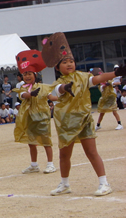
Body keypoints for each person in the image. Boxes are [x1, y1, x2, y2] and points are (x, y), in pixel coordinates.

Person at [41, 32, 126, 196]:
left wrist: (116, 74)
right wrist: (65, 88)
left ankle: (104, 183)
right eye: (64, 62)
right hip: (66, 123)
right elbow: (57, 91)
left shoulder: (82, 77)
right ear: (57, 67)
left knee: (91, 152)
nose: (69, 64)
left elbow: (98, 78)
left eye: (71, 61)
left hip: (84, 120)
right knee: (64, 155)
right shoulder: (58, 83)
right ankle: (64, 184)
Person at [13, 49, 58, 175]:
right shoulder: (22, 88)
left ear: (35, 75)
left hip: (42, 117)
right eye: (25, 74)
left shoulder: (43, 87)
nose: (27, 76)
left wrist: (64, 98)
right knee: (31, 142)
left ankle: (50, 164)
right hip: (29, 118)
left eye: (29, 73)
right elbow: (23, 95)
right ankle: (34, 165)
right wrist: (30, 94)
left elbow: (52, 98)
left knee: (46, 141)